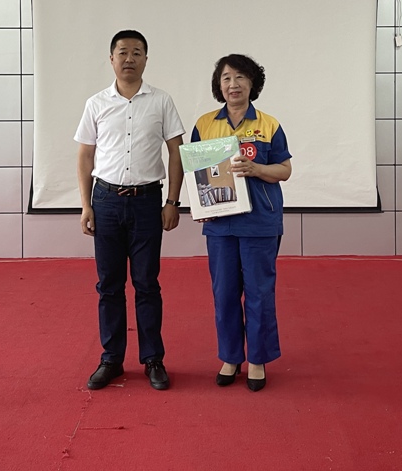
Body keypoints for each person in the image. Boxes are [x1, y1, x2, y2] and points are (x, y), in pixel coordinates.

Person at [75, 30, 185, 391]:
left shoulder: (161, 101)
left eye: (137, 52)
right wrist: (86, 205)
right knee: (109, 285)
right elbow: (85, 156)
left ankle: (153, 358)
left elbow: (176, 152)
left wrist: (172, 202)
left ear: (146, 60)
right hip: (105, 202)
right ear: (111, 59)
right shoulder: (96, 103)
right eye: (122, 52)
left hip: (147, 202)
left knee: (146, 283)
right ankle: (111, 359)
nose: (129, 58)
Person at [191, 53, 292, 392]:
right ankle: (231, 357)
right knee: (224, 292)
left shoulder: (268, 124)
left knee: (259, 293)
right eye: (226, 78)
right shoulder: (205, 124)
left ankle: (258, 360)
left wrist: (257, 169)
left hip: (260, 222)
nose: (233, 84)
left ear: (252, 83)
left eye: (240, 77)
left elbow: (285, 170)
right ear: (219, 86)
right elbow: (197, 172)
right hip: (220, 224)